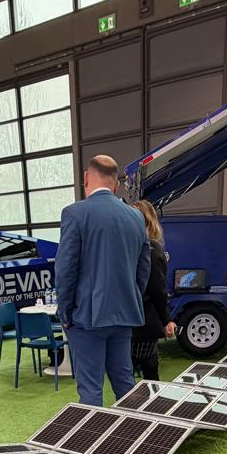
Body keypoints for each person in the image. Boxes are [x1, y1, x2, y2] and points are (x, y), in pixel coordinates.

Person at [54, 155, 150, 407]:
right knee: (125, 382)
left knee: (91, 389)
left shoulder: (75, 213)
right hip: (124, 315)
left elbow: (65, 270)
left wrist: (65, 313)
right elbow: (143, 269)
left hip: (87, 317)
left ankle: (94, 433)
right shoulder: (136, 218)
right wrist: (130, 297)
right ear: (116, 185)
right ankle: (134, 430)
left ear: (86, 178)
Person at [130, 199, 176, 380]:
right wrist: (167, 319)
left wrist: (167, 319)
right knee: (148, 370)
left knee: (133, 371)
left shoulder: (136, 248)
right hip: (144, 320)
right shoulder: (151, 248)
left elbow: (157, 288)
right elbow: (158, 289)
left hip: (134, 321)